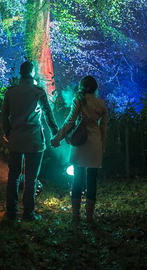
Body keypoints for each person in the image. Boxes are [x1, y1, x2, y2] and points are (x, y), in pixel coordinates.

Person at [1, 60, 58, 221]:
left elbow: (4, 115)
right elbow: (48, 113)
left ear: (20, 73)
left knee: (13, 176)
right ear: (32, 73)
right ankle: (28, 213)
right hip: (34, 139)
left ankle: (11, 212)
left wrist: (7, 132)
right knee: (31, 178)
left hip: (16, 138)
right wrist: (55, 131)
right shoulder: (38, 91)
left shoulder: (11, 92)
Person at [51, 75, 107, 224]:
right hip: (95, 144)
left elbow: (69, 122)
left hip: (79, 145)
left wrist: (57, 138)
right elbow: (103, 128)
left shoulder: (79, 101)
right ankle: (89, 217)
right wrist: (103, 146)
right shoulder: (101, 104)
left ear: (82, 87)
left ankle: (76, 216)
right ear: (95, 88)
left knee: (77, 179)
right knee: (92, 181)